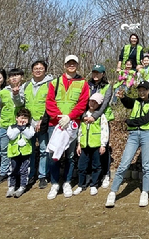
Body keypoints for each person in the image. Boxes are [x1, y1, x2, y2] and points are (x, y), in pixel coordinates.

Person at [106, 81, 149, 208]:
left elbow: (146, 119)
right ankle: (113, 192)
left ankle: (145, 191)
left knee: (146, 165)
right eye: (140, 90)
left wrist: (129, 121)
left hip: (147, 134)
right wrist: (122, 97)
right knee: (124, 163)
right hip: (133, 135)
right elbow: (127, 102)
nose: (142, 92)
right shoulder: (136, 102)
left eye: (144, 90)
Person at [45, 55, 90, 200]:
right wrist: (59, 117)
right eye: (69, 63)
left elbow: (82, 103)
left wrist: (69, 117)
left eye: (74, 63)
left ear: (77, 65)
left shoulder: (83, 83)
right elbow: (50, 102)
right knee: (54, 156)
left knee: (70, 156)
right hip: (55, 124)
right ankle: (54, 183)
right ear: (64, 65)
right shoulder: (55, 82)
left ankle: (67, 182)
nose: (71, 65)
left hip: (72, 124)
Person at [22, 60, 54, 189]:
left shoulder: (50, 84)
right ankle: (30, 175)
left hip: (43, 123)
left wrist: (43, 120)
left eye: (41, 68)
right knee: (29, 150)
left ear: (45, 70)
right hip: (29, 124)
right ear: (32, 70)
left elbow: (51, 103)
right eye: (36, 68)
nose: (38, 70)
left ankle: (42, 176)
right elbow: (22, 103)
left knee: (43, 150)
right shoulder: (26, 85)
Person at [0, 68, 24, 185]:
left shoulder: (24, 90)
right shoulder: (2, 92)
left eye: (17, 75)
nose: (14, 78)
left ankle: (19, 172)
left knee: (19, 150)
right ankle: (3, 172)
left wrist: (16, 94)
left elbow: (20, 104)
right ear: (8, 78)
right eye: (12, 76)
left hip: (19, 127)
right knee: (4, 150)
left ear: (22, 77)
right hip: (5, 125)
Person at [74, 93, 109, 196]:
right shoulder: (84, 115)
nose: (92, 104)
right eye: (91, 101)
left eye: (95, 102)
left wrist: (103, 144)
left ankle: (94, 185)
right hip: (84, 145)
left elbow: (104, 130)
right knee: (81, 166)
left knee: (96, 165)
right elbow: (80, 130)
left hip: (96, 144)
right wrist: (79, 144)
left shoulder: (100, 116)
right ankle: (81, 184)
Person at [86, 64, 114, 188]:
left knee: (103, 147)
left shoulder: (107, 86)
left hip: (103, 119)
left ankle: (106, 174)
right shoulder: (87, 86)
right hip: (87, 118)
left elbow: (104, 104)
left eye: (99, 73)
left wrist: (95, 116)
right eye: (94, 72)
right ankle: (91, 175)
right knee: (88, 148)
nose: (96, 75)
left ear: (103, 74)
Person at [5, 108, 35, 198]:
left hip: (25, 153)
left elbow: (30, 135)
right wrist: (19, 128)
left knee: (24, 170)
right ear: (16, 118)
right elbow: (11, 136)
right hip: (14, 153)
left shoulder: (29, 128)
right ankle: (11, 187)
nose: (23, 120)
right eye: (21, 118)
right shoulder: (12, 127)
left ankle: (22, 186)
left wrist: (24, 129)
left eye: (26, 118)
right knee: (13, 170)